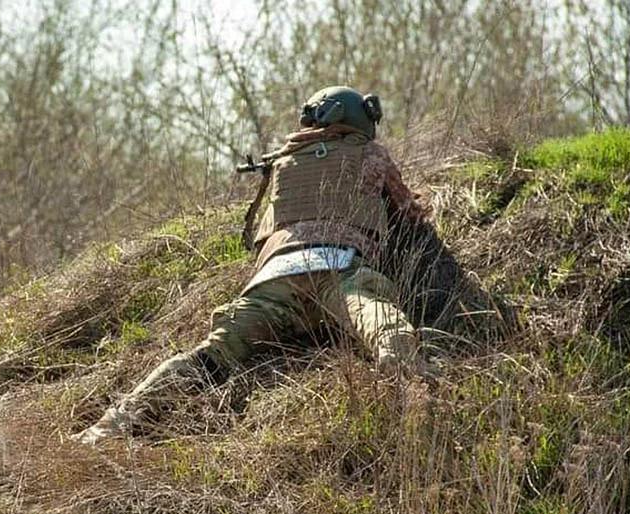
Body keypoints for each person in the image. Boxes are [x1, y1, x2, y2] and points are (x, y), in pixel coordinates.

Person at [74, 86, 436, 445]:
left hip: (276, 279)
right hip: (340, 271)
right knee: (381, 322)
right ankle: (414, 389)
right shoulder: (369, 154)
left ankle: (112, 425)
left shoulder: (283, 162)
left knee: (211, 354)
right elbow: (409, 212)